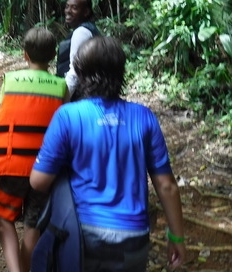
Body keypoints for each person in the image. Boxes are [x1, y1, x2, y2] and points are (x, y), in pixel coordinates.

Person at [30, 36, 185, 271]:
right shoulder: (144, 117)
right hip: (133, 237)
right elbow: (166, 185)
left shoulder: (68, 116)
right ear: (121, 72)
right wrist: (176, 237)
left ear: (80, 72)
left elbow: (39, 182)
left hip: (82, 235)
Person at [0, 27, 67, 272]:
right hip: (44, 169)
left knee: (5, 218)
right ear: (53, 56)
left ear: (25, 55)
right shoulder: (61, 86)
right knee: (33, 224)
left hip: (11, 162)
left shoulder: (11, 81)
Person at [55, 0, 101, 100]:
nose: (68, 11)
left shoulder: (81, 32)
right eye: (67, 7)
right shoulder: (89, 29)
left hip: (80, 95)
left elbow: (75, 71)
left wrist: (62, 100)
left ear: (86, 12)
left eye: (74, 8)